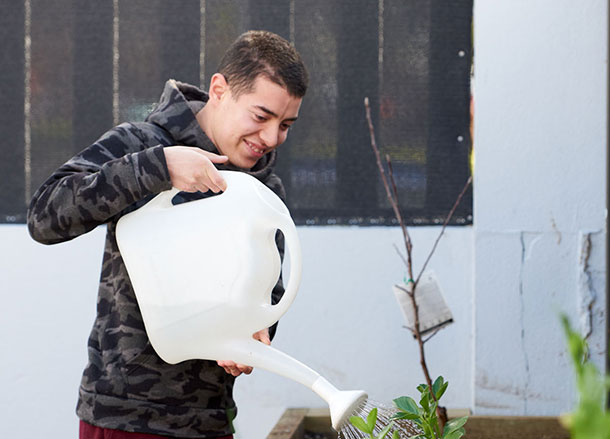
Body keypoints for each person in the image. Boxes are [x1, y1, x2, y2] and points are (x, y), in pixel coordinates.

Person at [27, 30, 308, 438]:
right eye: (261, 117)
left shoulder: (265, 189)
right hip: (123, 416)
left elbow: (268, 292)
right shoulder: (142, 143)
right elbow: (44, 216)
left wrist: (256, 331)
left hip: (210, 420)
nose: (271, 138)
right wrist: (158, 167)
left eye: (286, 125)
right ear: (219, 89)